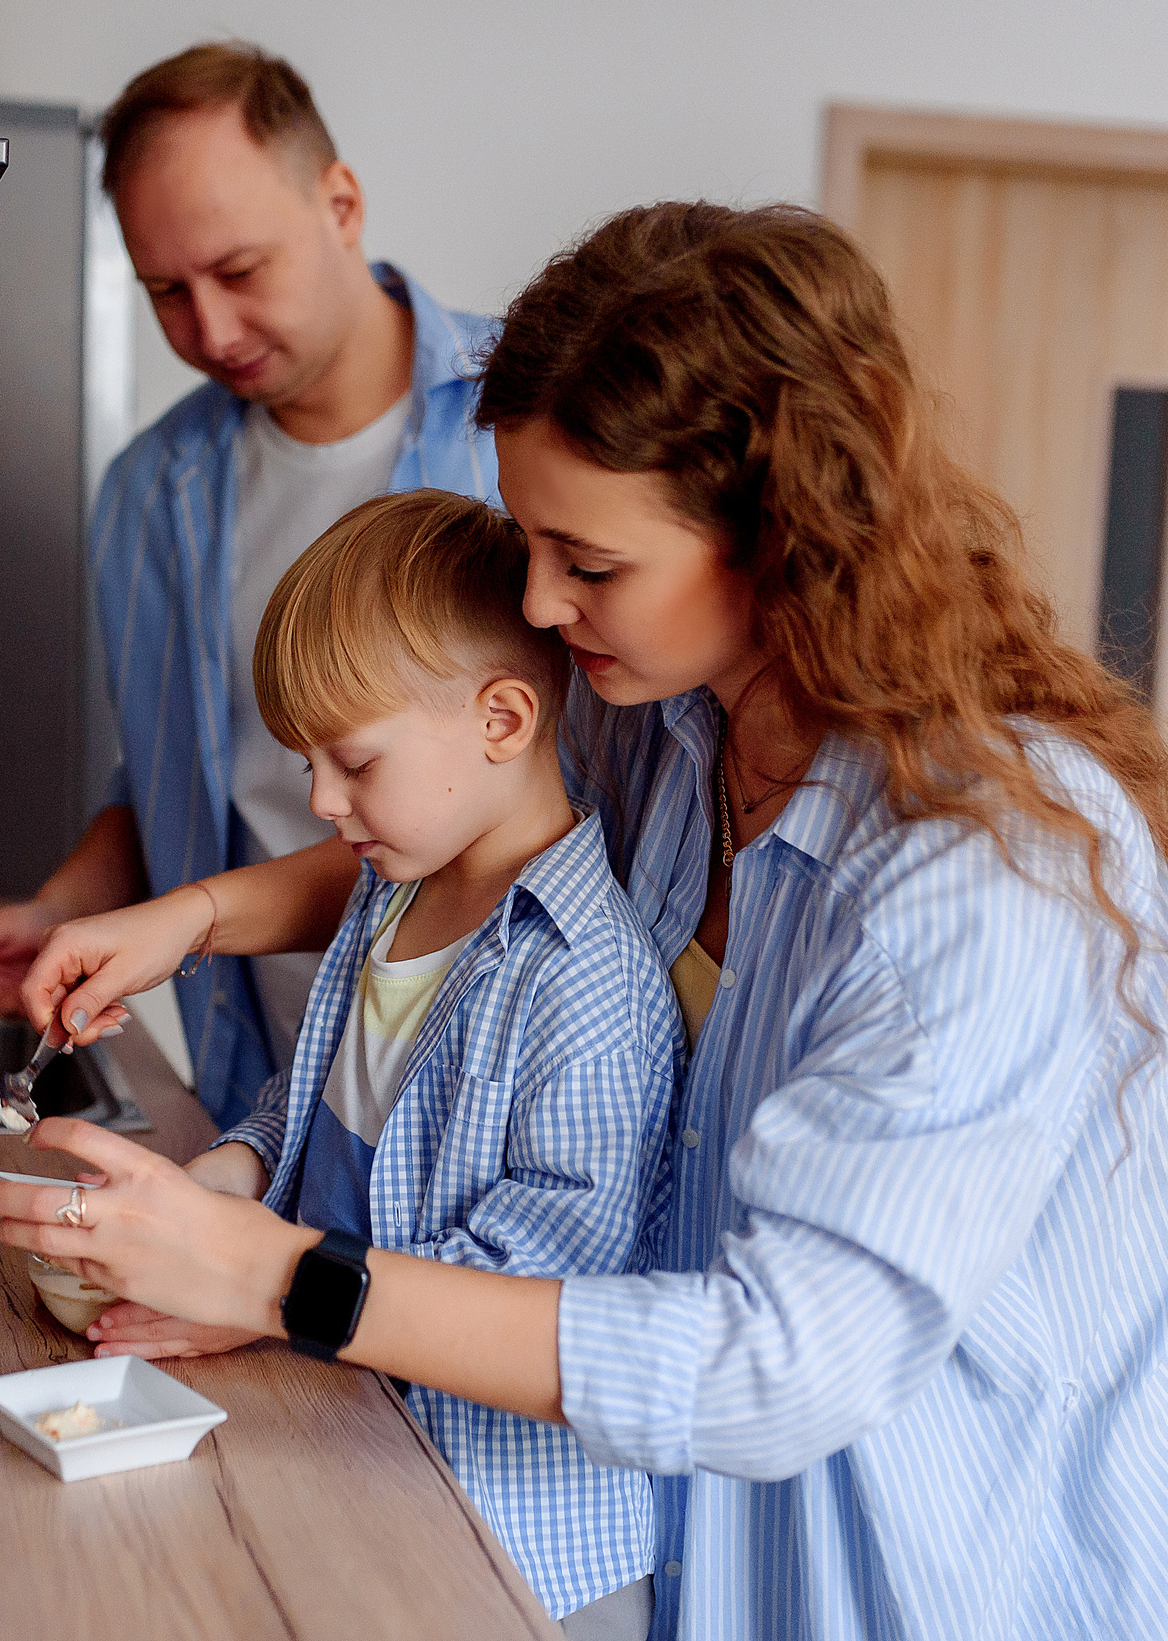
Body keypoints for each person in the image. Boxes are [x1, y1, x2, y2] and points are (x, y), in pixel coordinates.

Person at [0, 204, 1168, 1638]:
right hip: (759, 1517)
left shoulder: (986, 870)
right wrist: (186, 924)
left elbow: (781, 1360)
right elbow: (448, 856)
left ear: (779, 536)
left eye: (591, 562)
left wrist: (280, 1277)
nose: (542, 602)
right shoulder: (665, 726)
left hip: (1039, 1539)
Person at [0, 42, 499, 1128]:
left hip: (489, 1087)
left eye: (241, 271)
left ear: (340, 203)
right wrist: (65, 908)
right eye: (166, 293)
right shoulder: (150, 493)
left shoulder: (523, 420)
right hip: (266, 1084)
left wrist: (188, 917)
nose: (212, 331)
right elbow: (171, 777)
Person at [149, 488, 676, 1634]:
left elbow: (540, 1290)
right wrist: (228, 1181)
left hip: (521, 1549)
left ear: (501, 719)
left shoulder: (584, 977)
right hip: (370, 1455)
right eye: (307, 763)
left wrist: (264, 1288)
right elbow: (315, 1099)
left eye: (352, 760)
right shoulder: (389, 898)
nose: (321, 803)